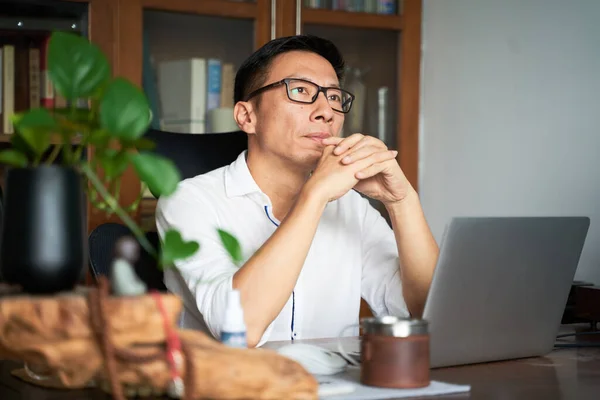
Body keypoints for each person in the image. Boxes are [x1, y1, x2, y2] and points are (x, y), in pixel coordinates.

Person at [155, 34, 439, 348]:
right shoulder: (188, 201)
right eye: (300, 90)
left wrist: (401, 201)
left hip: (335, 390)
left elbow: (429, 315)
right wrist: (314, 196)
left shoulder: (352, 208)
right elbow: (239, 329)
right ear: (247, 116)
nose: (326, 112)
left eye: (334, 97)